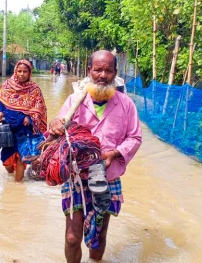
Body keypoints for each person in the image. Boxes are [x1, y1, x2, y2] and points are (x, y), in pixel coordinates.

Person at [48, 50, 142, 263]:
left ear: (115, 73)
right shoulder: (75, 100)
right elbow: (56, 129)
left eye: (108, 70)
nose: (102, 75)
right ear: (89, 71)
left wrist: (114, 153)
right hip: (76, 177)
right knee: (72, 237)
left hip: (107, 177)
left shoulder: (126, 104)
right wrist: (54, 124)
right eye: (98, 69)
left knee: (99, 235)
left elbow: (135, 137)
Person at [0, 60, 47, 181]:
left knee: (21, 158)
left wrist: (29, 117)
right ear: (15, 71)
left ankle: (17, 188)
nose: (21, 74)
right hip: (9, 128)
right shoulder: (7, 85)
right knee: (6, 160)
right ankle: (12, 174)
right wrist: (1, 112)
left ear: (29, 73)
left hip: (24, 130)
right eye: (19, 71)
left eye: (25, 71)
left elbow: (39, 107)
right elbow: (0, 100)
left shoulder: (35, 89)